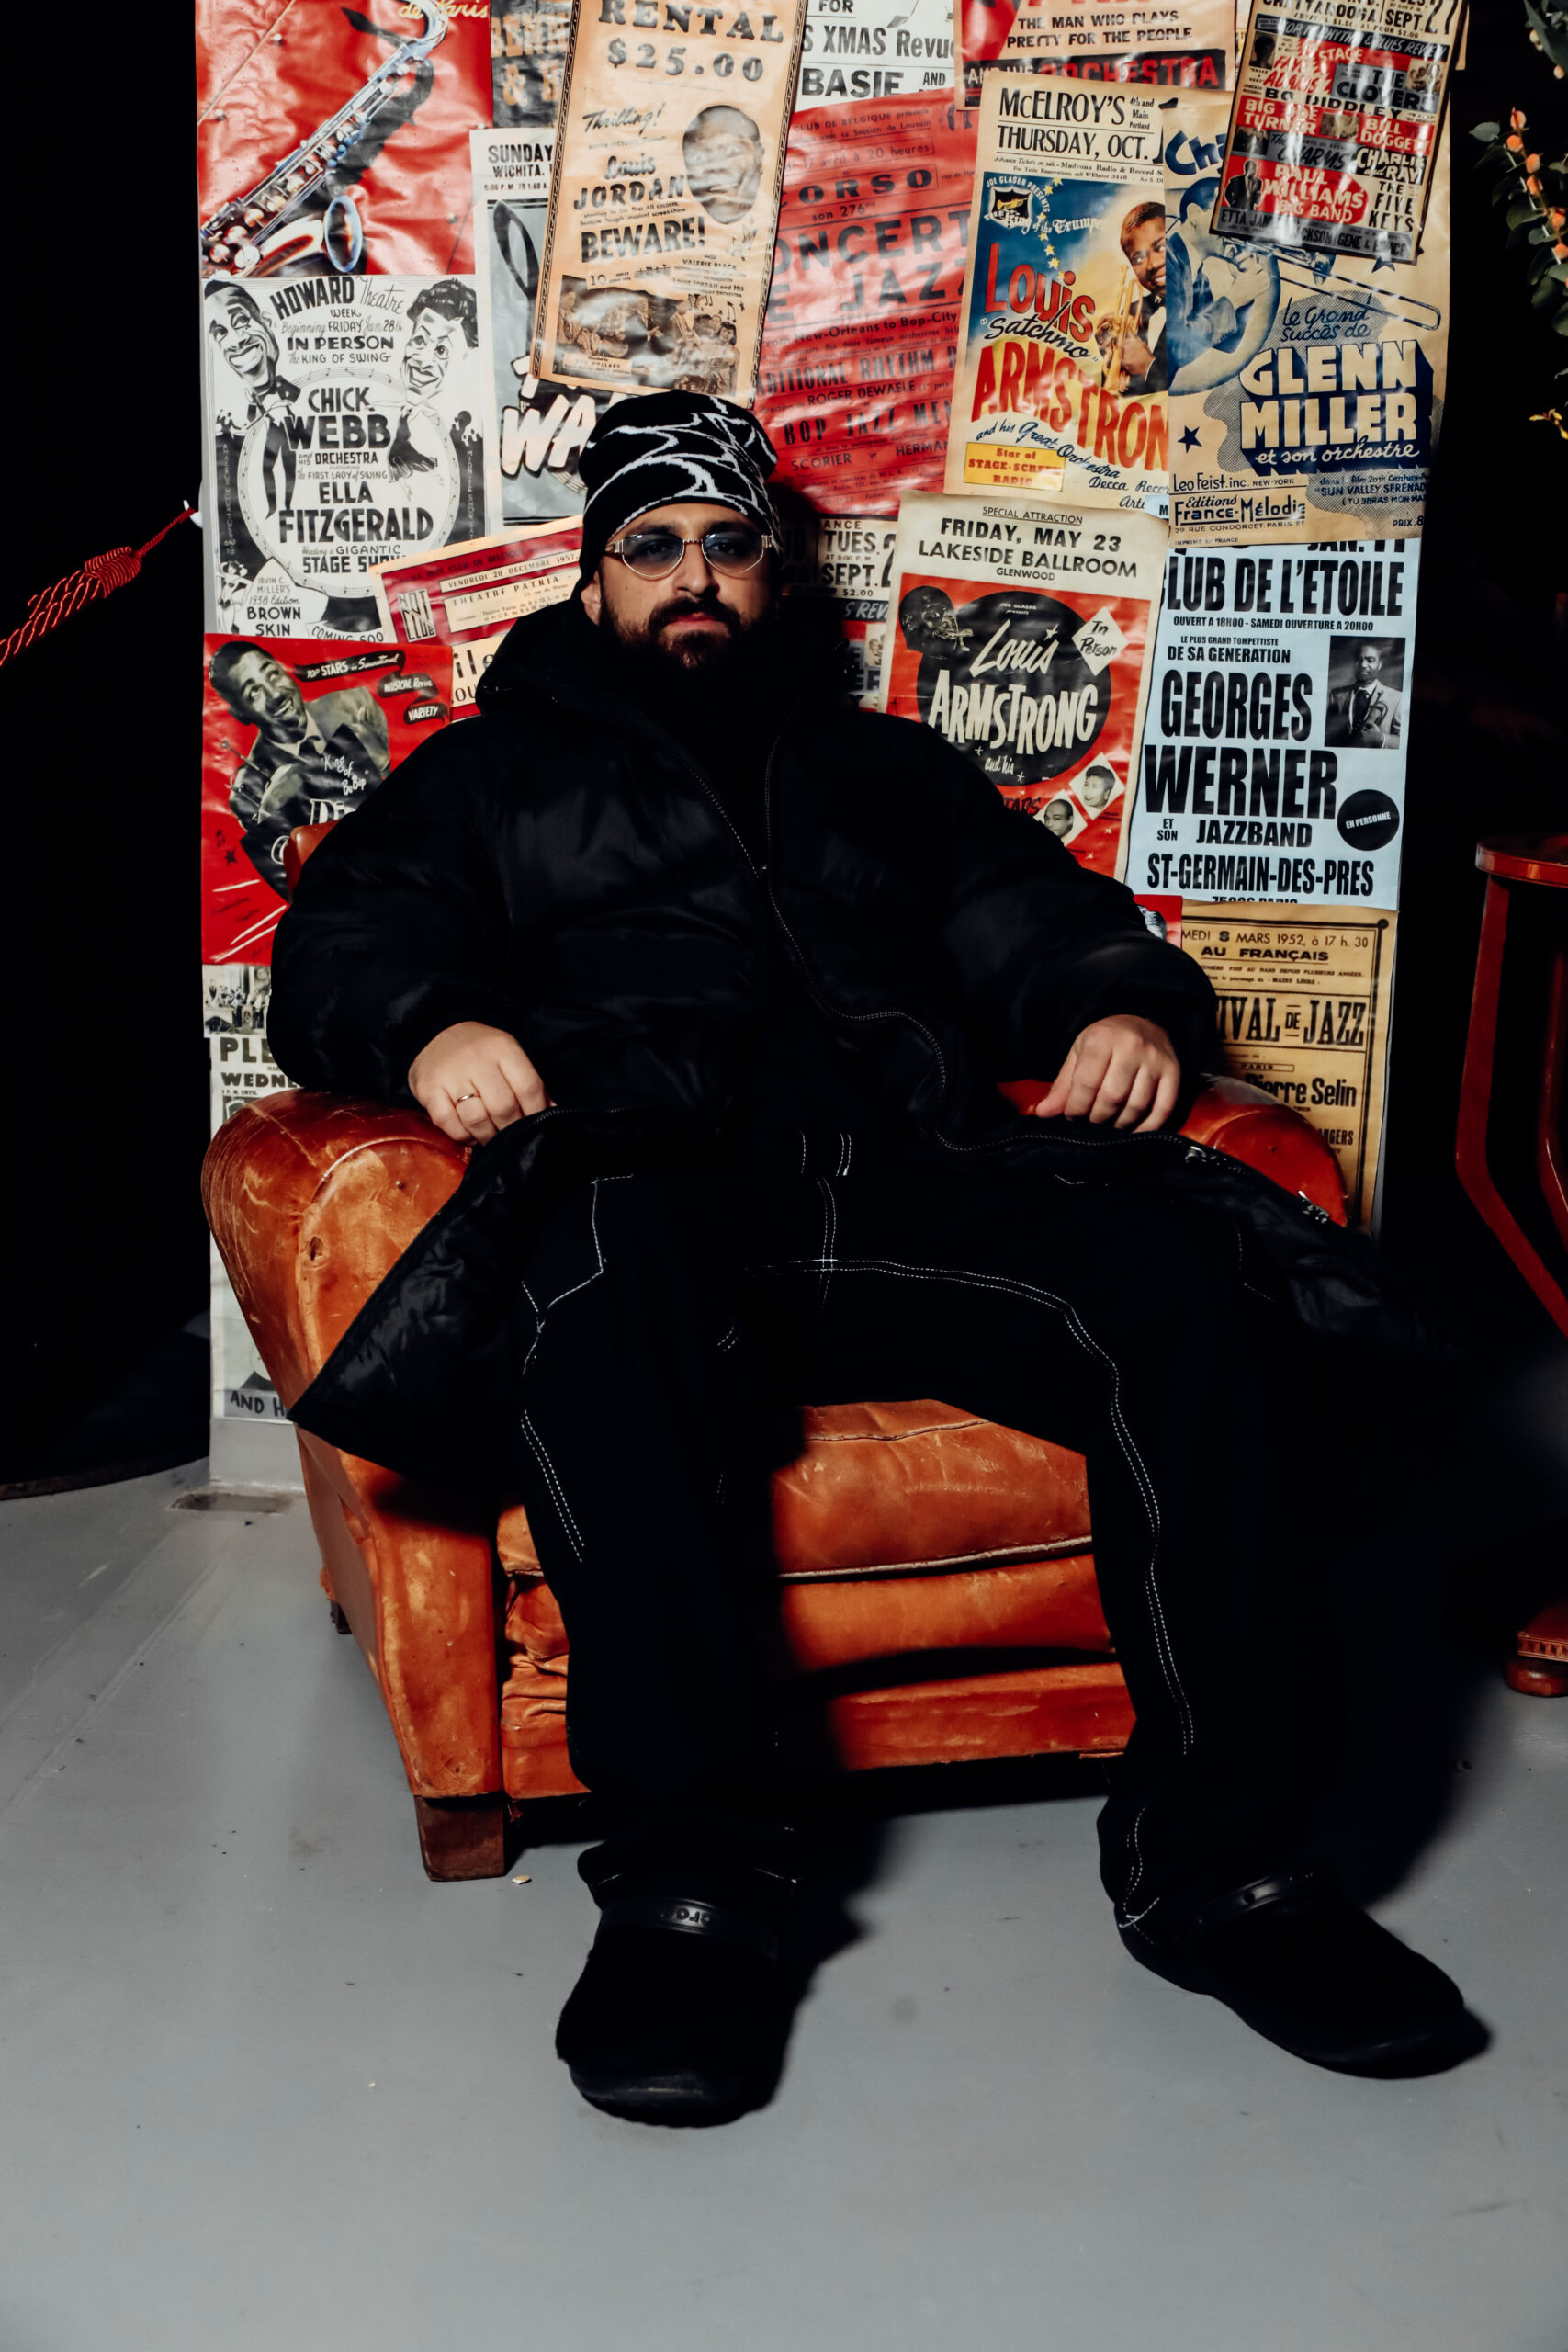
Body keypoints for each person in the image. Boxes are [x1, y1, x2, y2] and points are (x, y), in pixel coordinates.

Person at [268, 391, 1466, 2126]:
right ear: (595, 583)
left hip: (905, 1175)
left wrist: (1116, 1007)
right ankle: (692, 1892)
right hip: (653, 1179)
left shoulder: (882, 769)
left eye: (728, 545)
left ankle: (1227, 1871)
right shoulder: (489, 775)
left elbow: (1034, 917)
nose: (694, 575)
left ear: (776, 574)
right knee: (593, 1298)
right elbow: (346, 941)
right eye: (651, 546)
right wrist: (431, 1020)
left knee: (1190, 1286)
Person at [209, 642, 389, 894]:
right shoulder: (249, 792)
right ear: (240, 714)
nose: (275, 695)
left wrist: (384, 767)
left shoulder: (355, 706)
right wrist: (270, 816)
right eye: (254, 693)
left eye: (273, 674)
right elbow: (292, 881)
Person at [1096, 202, 1168, 395]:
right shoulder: (1133, 311)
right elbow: (1117, 397)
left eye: (1161, 247)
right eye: (1139, 258)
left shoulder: (1204, 304)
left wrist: (1146, 366)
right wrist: (1110, 357)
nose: (1152, 264)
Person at [1327, 643, 1404, 749]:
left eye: (1370, 660)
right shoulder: (1336, 695)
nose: (1363, 664)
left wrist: (1382, 739)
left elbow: (1404, 742)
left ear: (1379, 665)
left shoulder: (1397, 698)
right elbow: (1330, 737)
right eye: (1359, 659)